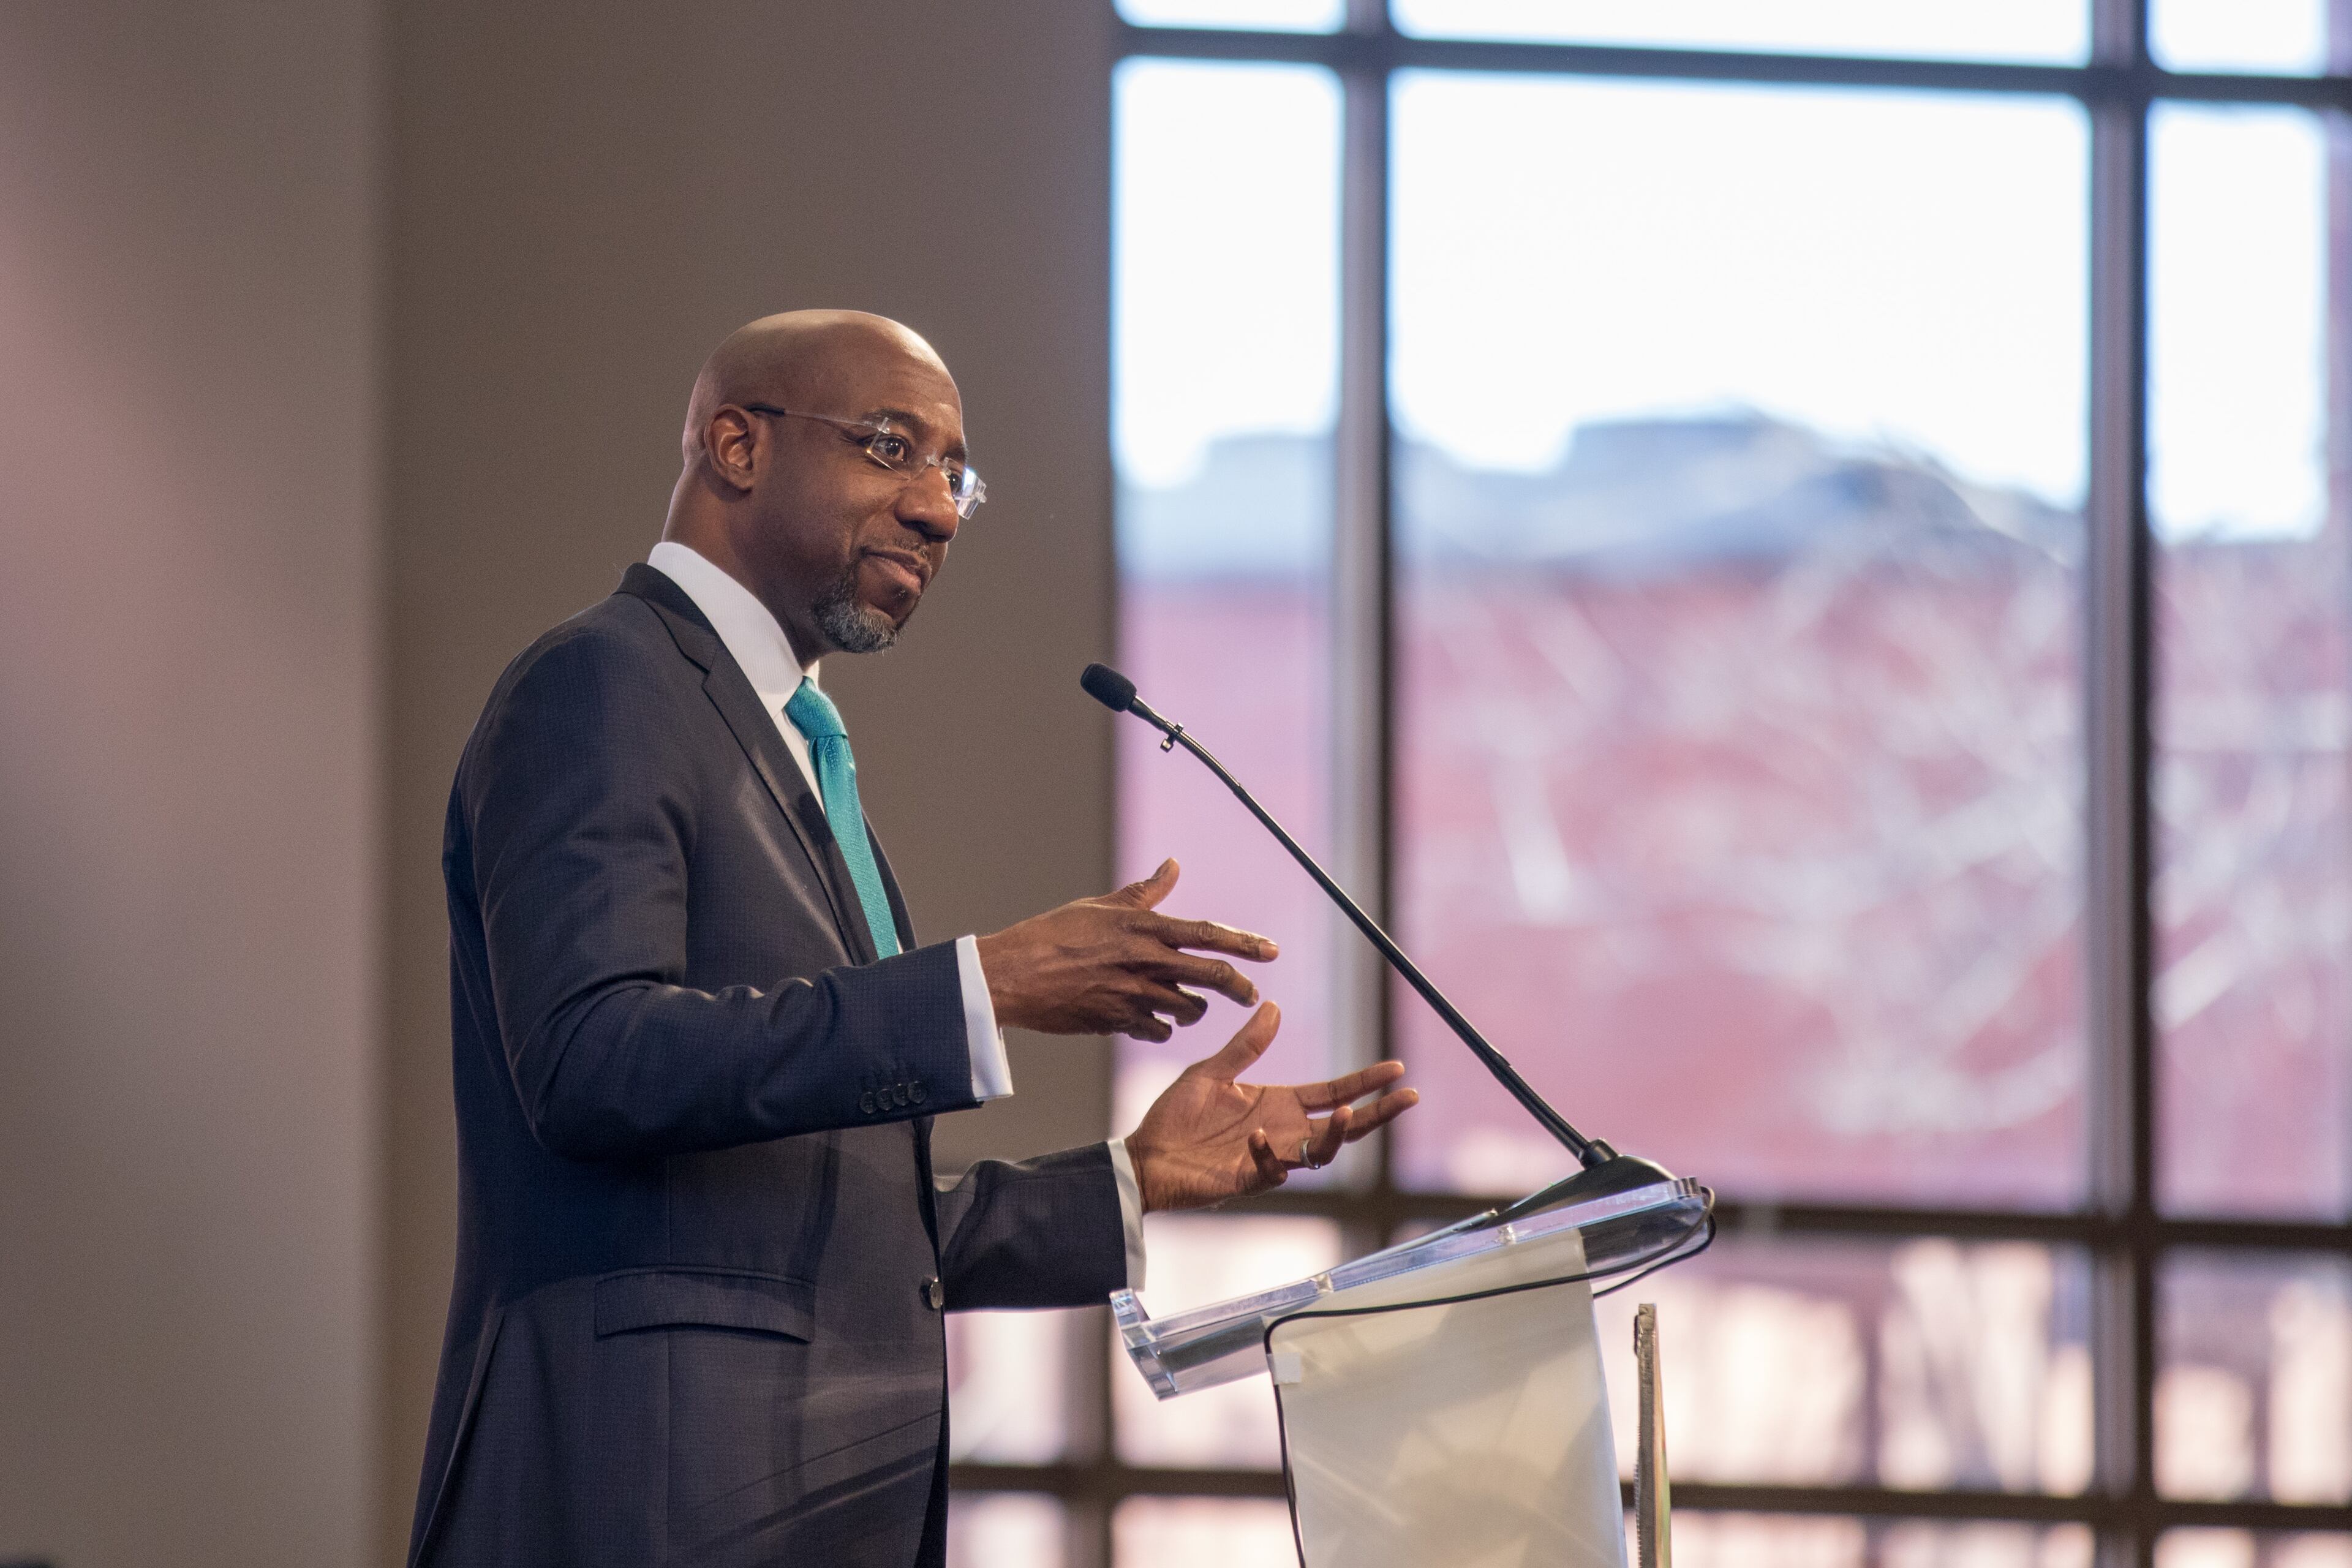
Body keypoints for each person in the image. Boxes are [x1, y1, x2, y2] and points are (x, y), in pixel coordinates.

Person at [406, 309, 1420, 1568]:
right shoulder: (603, 684)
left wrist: (1131, 1179)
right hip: (647, 1491)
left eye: (956, 474)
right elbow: (587, 1058)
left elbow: (821, 1220)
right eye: (894, 449)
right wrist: (979, 986)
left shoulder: (796, 751)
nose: (939, 511)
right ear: (736, 444)